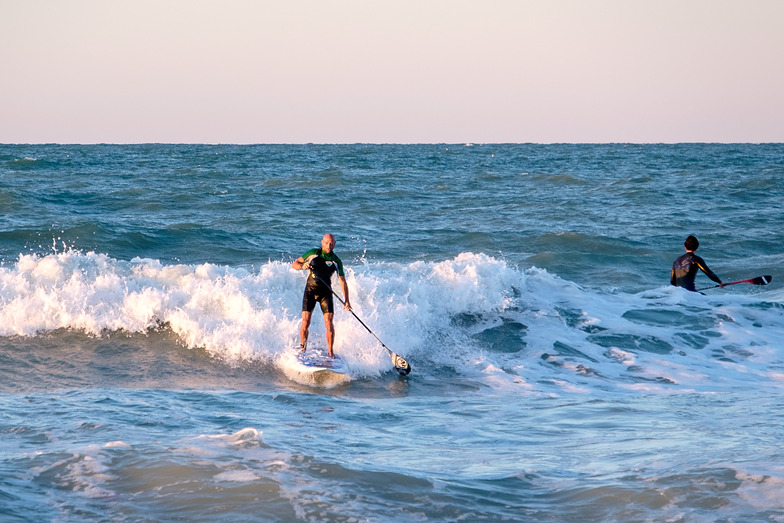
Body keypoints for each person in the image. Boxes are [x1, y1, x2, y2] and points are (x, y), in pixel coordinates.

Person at [291, 233, 352, 357]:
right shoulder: (313, 253)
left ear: (334, 244)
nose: (329, 245)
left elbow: (342, 281)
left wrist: (347, 301)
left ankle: (330, 351)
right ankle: (303, 347)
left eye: (331, 243)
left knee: (329, 323)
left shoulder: (336, 260)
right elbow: (294, 264)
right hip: (310, 291)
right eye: (326, 243)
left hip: (326, 293)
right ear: (322, 242)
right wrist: (303, 266)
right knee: (306, 321)